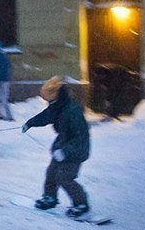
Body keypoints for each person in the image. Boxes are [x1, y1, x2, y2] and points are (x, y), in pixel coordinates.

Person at [21, 76, 92, 218]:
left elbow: (80, 136)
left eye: (48, 97)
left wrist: (65, 152)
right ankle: (50, 197)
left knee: (64, 177)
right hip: (63, 146)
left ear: (56, 93)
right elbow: (46, 116)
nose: (47, 101)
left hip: (76, 149)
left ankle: (81, 204)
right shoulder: (57, 105)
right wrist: (30, 123)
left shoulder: (72, 110)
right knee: (51, 173)